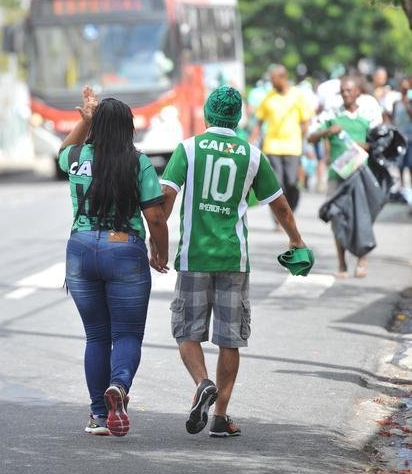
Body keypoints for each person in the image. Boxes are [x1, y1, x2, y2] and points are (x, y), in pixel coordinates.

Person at [158, 86, 307, 437]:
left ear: (208, 113)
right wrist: (296, 240)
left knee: (186, 331)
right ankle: (220, 417)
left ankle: (202, 383)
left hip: (194, 257)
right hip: (233, 259)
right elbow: (280, 206)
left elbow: (166, 197)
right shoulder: (252, 155)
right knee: (230, 339)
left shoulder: (188, 149)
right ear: (237, 118)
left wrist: (157, 241)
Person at [58, 86, 169, 437]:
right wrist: (160, 251)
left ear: (96, 127)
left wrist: (85, 121)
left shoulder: (77, 156)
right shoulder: (138, 162)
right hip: (123, 250)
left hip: (80, 249)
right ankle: (118, 386)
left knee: (96, 336)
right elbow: (155, 216)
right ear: (128, 128)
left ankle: (98, 416)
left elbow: (62, 151)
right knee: (127, 334)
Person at [308, 76, 378, 278]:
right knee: (336, 218)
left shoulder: (368, 116)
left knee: (362, 218)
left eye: (349, 90)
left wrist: (366, 146)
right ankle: (341, 264)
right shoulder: (332, 114)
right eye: (343, 91)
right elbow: (311, 137)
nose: (346, 94)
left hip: (360, 175)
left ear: (358, 92)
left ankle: (362, 261)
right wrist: (328, 131)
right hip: (337, 175)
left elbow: (378, 142)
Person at [250, 65, 313, 212]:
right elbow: (259, 122)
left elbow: (305, 122)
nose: (271, 82)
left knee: (291, 182)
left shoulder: (297, 96)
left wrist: (305, 143)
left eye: (273, 79)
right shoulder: (269, 97)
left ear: (283, 78)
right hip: (272, 146)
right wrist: (251, 140)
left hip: (293, 146)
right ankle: (279, 214)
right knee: (277, 183)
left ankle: (291, 207)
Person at [392, 76, 412, 187]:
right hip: (400, 138)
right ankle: (403, 187)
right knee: (400, 165)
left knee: (411, 164)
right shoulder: (396, 103)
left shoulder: (410, 101)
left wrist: (407, 104)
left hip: (411, 138)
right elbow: (394, 120)